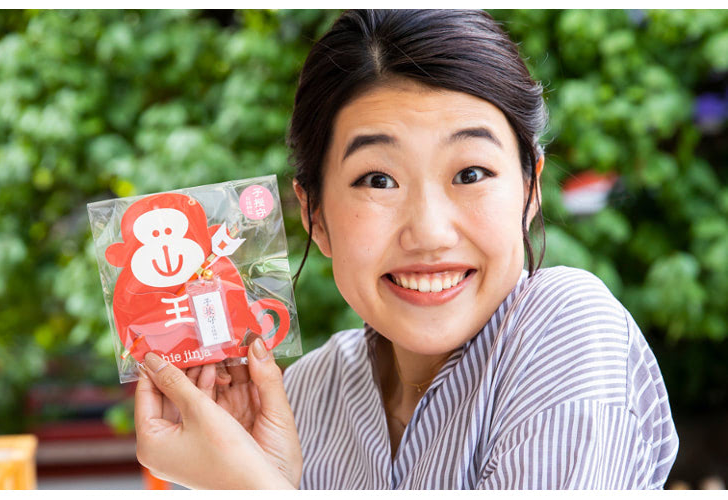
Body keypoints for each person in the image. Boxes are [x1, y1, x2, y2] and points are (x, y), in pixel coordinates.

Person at [133, 10, 678, 489]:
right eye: (378, 180)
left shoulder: (568, 326)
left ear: (530, 188)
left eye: (471, 173)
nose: (430, 233)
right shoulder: (302, 396)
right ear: (314, 214)